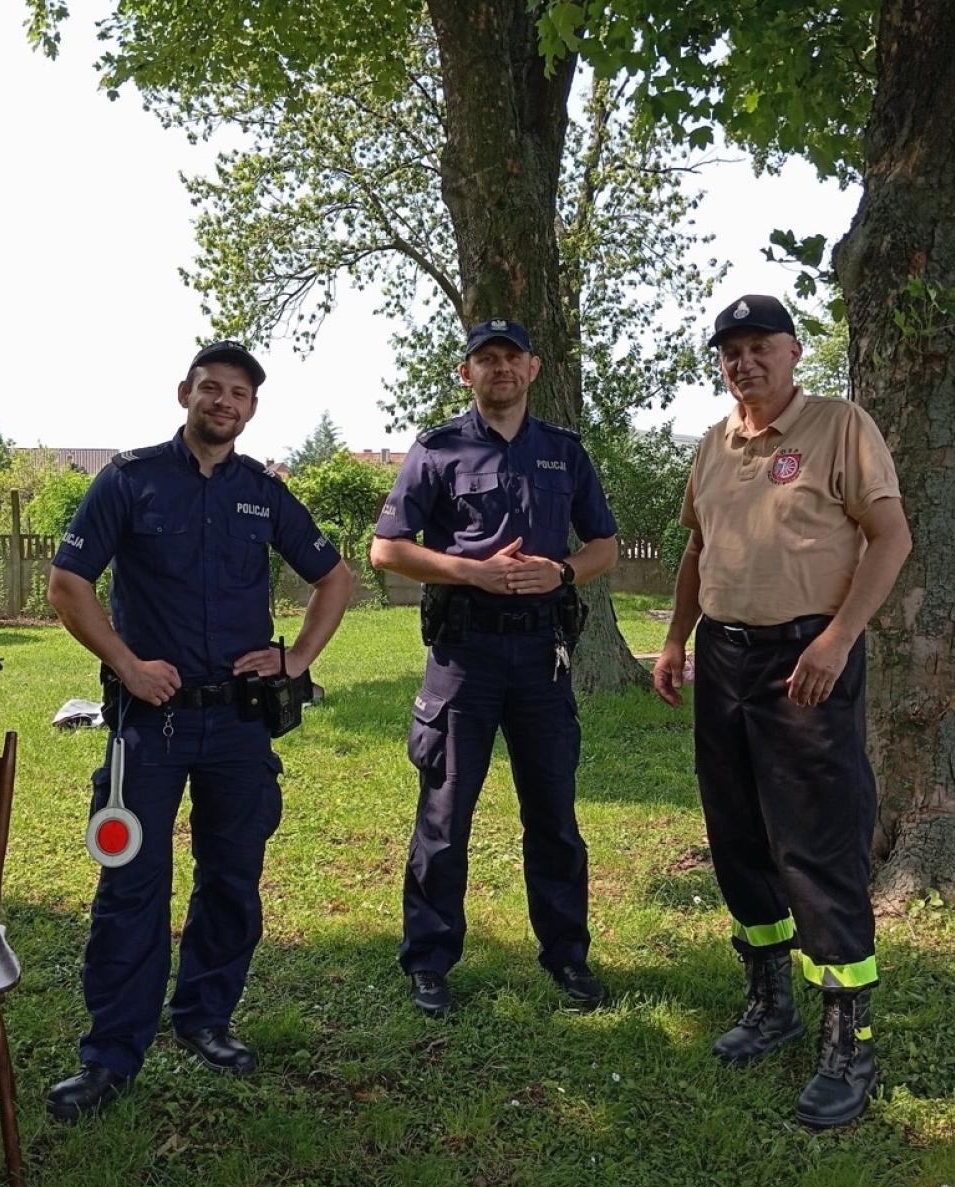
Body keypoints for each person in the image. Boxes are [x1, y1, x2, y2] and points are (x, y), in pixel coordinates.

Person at [44, 339, 353, 1122]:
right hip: (147, 725)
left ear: (251, 408)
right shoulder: (130, 479)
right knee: (129, 884)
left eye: (239, 394)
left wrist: (296, 657)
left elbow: (334, 576)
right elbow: (67, 583)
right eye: (211, 389)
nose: (224, 403)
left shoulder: (262, 492)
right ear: (185, 392)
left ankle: (206, 1020)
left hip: (239, 728)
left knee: (231, 880)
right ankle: (110, 1055)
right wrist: (126, 662)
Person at [651, 294, 912, 1129]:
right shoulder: (712, 443)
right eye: (729, 350)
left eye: (759, 345)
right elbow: (697, 549)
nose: (743, 361)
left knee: (817, 840)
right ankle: (771, 1003)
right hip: (723, 659)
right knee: (735, 835)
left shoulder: (838, 426)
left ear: (794, 351)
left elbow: (890, 537)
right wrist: (673, 641)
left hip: (806, 661)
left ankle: (849, 1039)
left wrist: (837, 640)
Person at [369, 318, 618, 1018]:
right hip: (464, 657)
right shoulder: (436, 449)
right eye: (486, 359)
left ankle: (567, 956)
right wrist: (468, 573)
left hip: (542, 658)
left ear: (532, 370)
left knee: (554, 819)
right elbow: (386, 549)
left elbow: (603, 542)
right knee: (444, 818)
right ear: (465, 373)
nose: (499, 369)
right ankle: (428, 961)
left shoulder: (562, 453)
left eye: (511, 358)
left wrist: (561, 572)